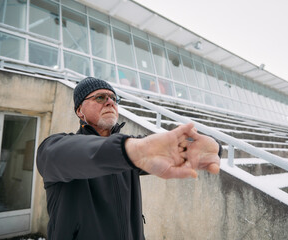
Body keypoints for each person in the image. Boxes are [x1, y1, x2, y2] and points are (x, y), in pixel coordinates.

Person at [37, 77, 222, 240]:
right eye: (100, 97)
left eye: (114, 98)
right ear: (79, 111)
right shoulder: (55, 148)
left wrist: (199, 148)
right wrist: (133, 150)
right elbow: (74, 154)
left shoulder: (131, 152)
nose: (110, 102)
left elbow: (158, 150)